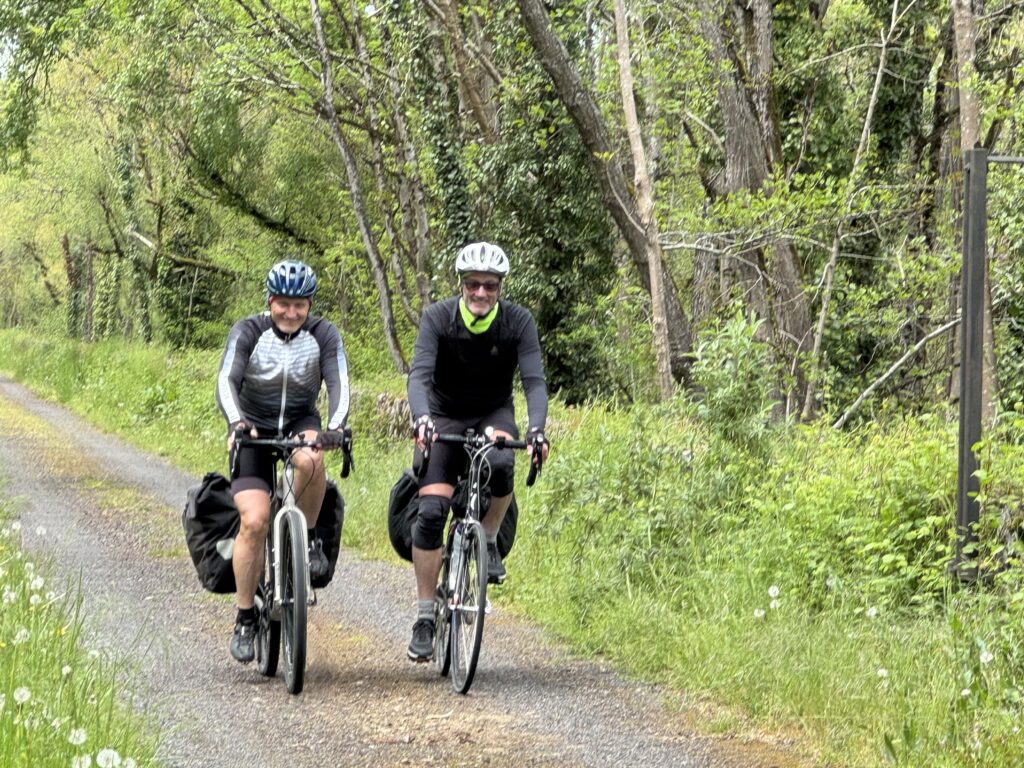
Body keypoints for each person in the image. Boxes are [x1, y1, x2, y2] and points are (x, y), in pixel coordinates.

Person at [405, 241, 550, 662]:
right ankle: (425, 616)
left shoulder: (518, 322)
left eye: (490, 285)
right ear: (461, 285)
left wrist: (536, 430)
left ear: (500, 287)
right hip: (444, 415)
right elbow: (419, 375)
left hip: (493, 413)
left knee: (502, 462)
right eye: (473, 284)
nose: (481, 292)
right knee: (431, 514)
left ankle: (487, 538)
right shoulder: (438, 317)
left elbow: (534, 381)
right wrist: (421, 418)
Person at [216, 259, 350, 664]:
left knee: (311, 459)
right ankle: (244, 617)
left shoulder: (323, 334)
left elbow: (339, 382)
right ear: (270, 301)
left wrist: (335, 427)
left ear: (309, 305)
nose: (291, 313)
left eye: (300, 305)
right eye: (284, 304)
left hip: (299, 422)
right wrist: (237, 422)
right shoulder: (249, 331)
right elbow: (226, 379)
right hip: (253, 427)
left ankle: (306, 540)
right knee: (254, 521)